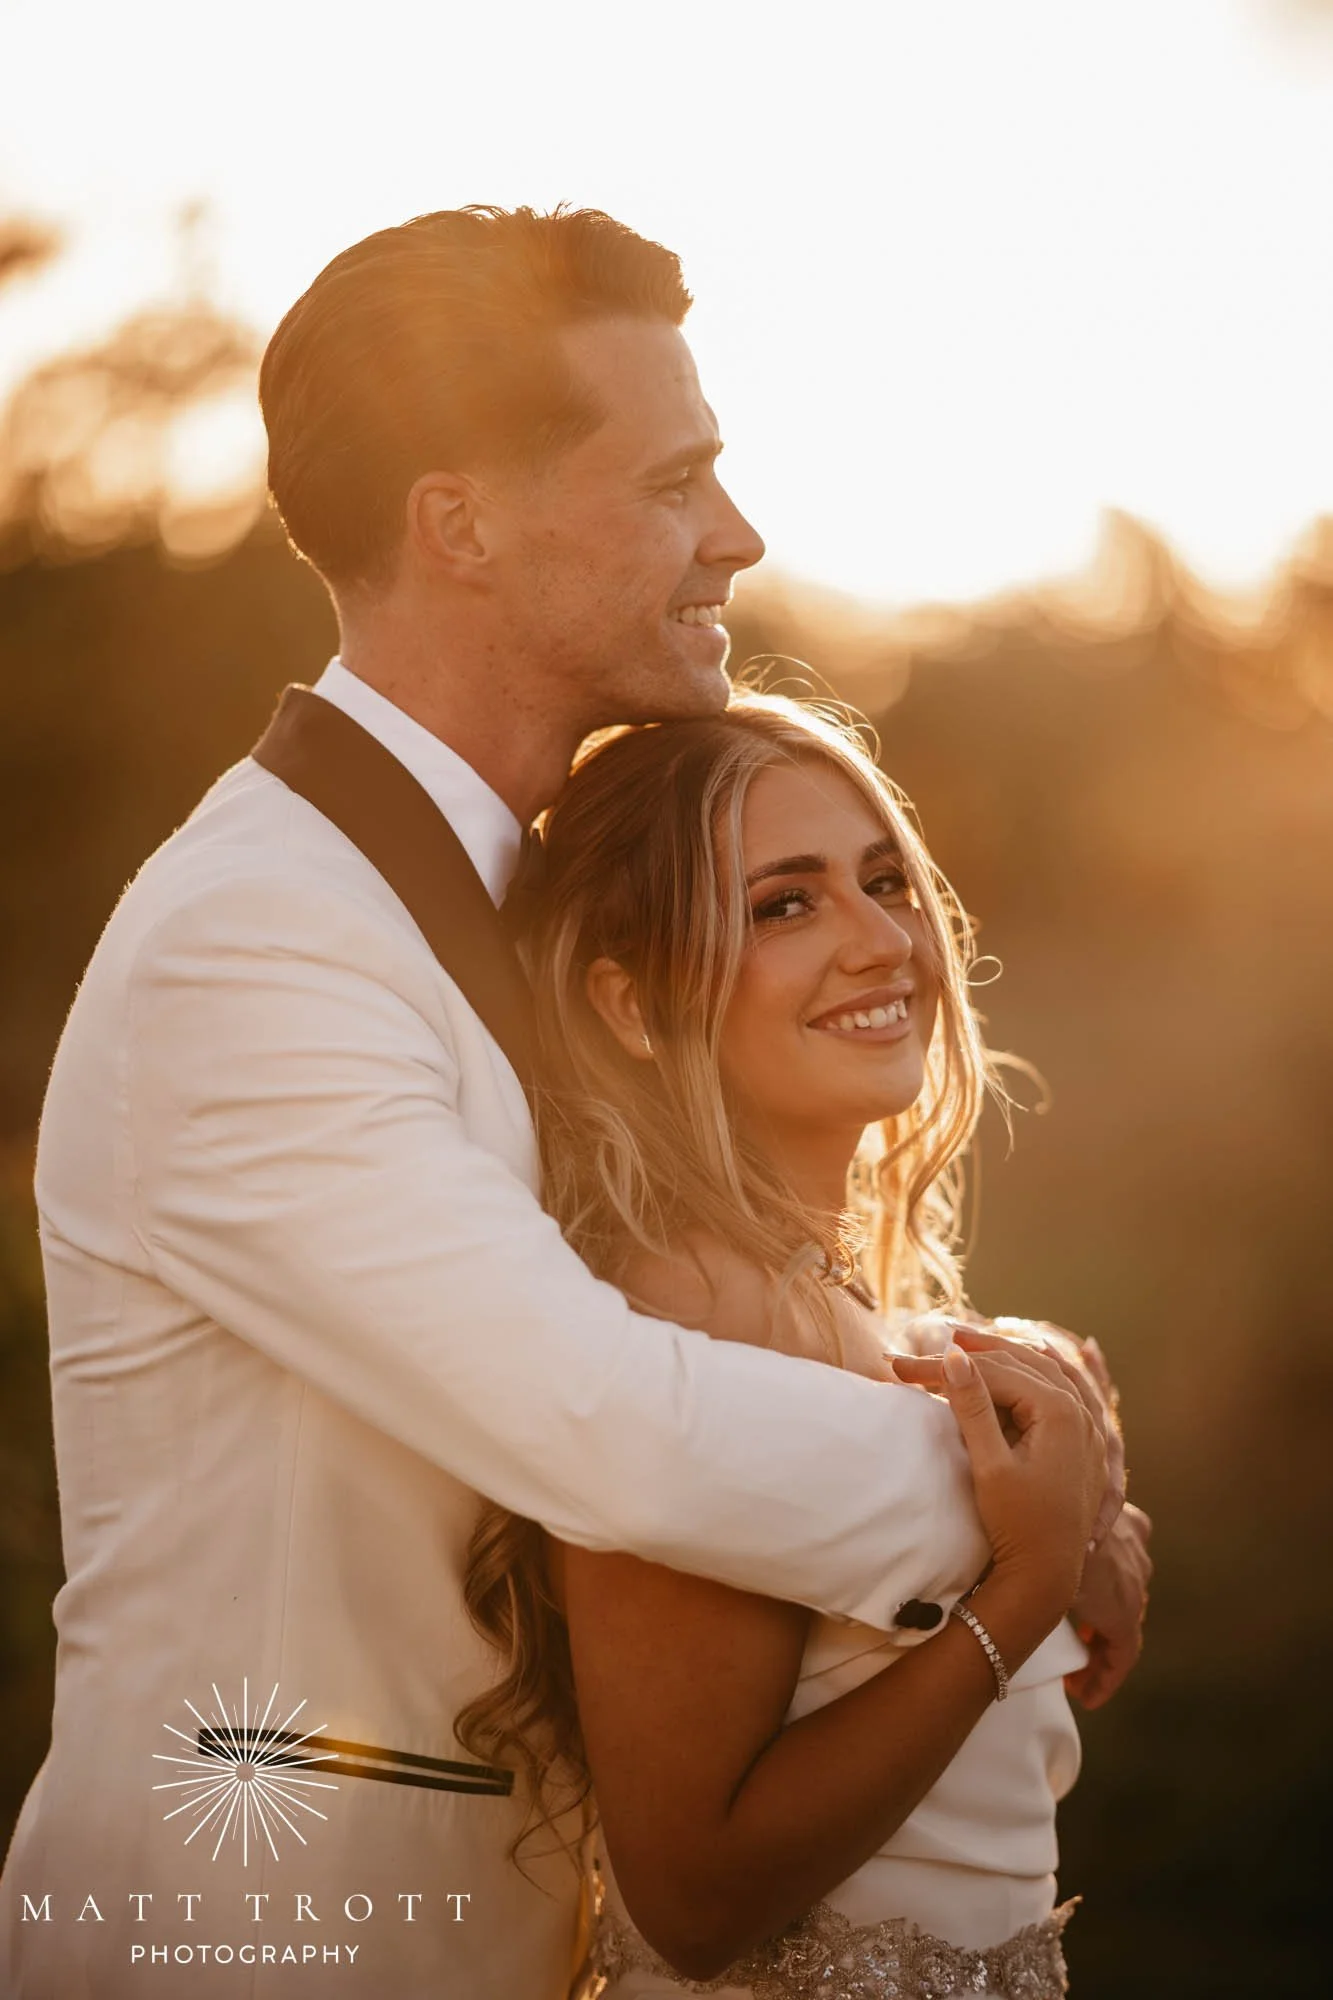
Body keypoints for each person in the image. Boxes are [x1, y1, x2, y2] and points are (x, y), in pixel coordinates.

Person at [0, 207, 1147, 2000]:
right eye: (676, 480)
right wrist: (1029, 1507)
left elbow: (675, 1289)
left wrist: (997, 1389)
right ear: (461, 523)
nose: (737, 536)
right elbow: (599, 1416)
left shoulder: (503, 911)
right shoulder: (262, 941)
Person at [460, 691, 1120, 1999]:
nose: (885, 942)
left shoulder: (814, 1291)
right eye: (785, 904)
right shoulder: (705, 1307)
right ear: (635, 1000)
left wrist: (1097, 1506)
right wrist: (1031, 1583)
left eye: (886, 882)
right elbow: (694, 1892)